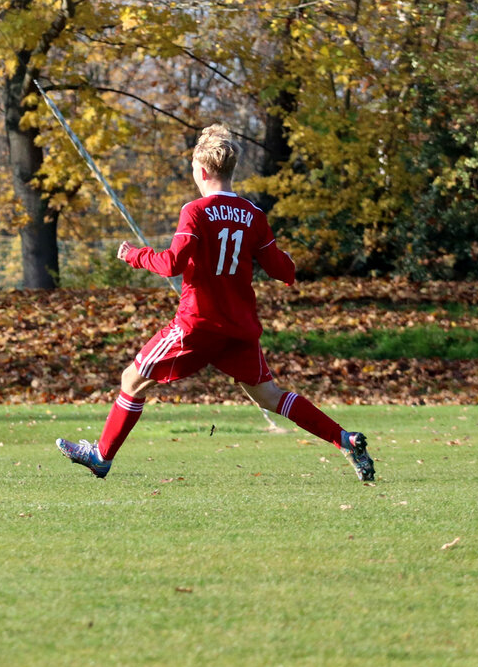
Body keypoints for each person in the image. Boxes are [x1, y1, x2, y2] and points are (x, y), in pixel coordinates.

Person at [55, 125, 375, 482]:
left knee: (131, 379)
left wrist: (135, 255)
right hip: (238, 328)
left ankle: (101, 457)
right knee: (270, 396)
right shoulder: (253, 214)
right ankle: (345, 439)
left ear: (201, 171)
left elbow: (172, 264)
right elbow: (281, 270)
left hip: (196, 325)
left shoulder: (195, 211)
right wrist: (290, 265)